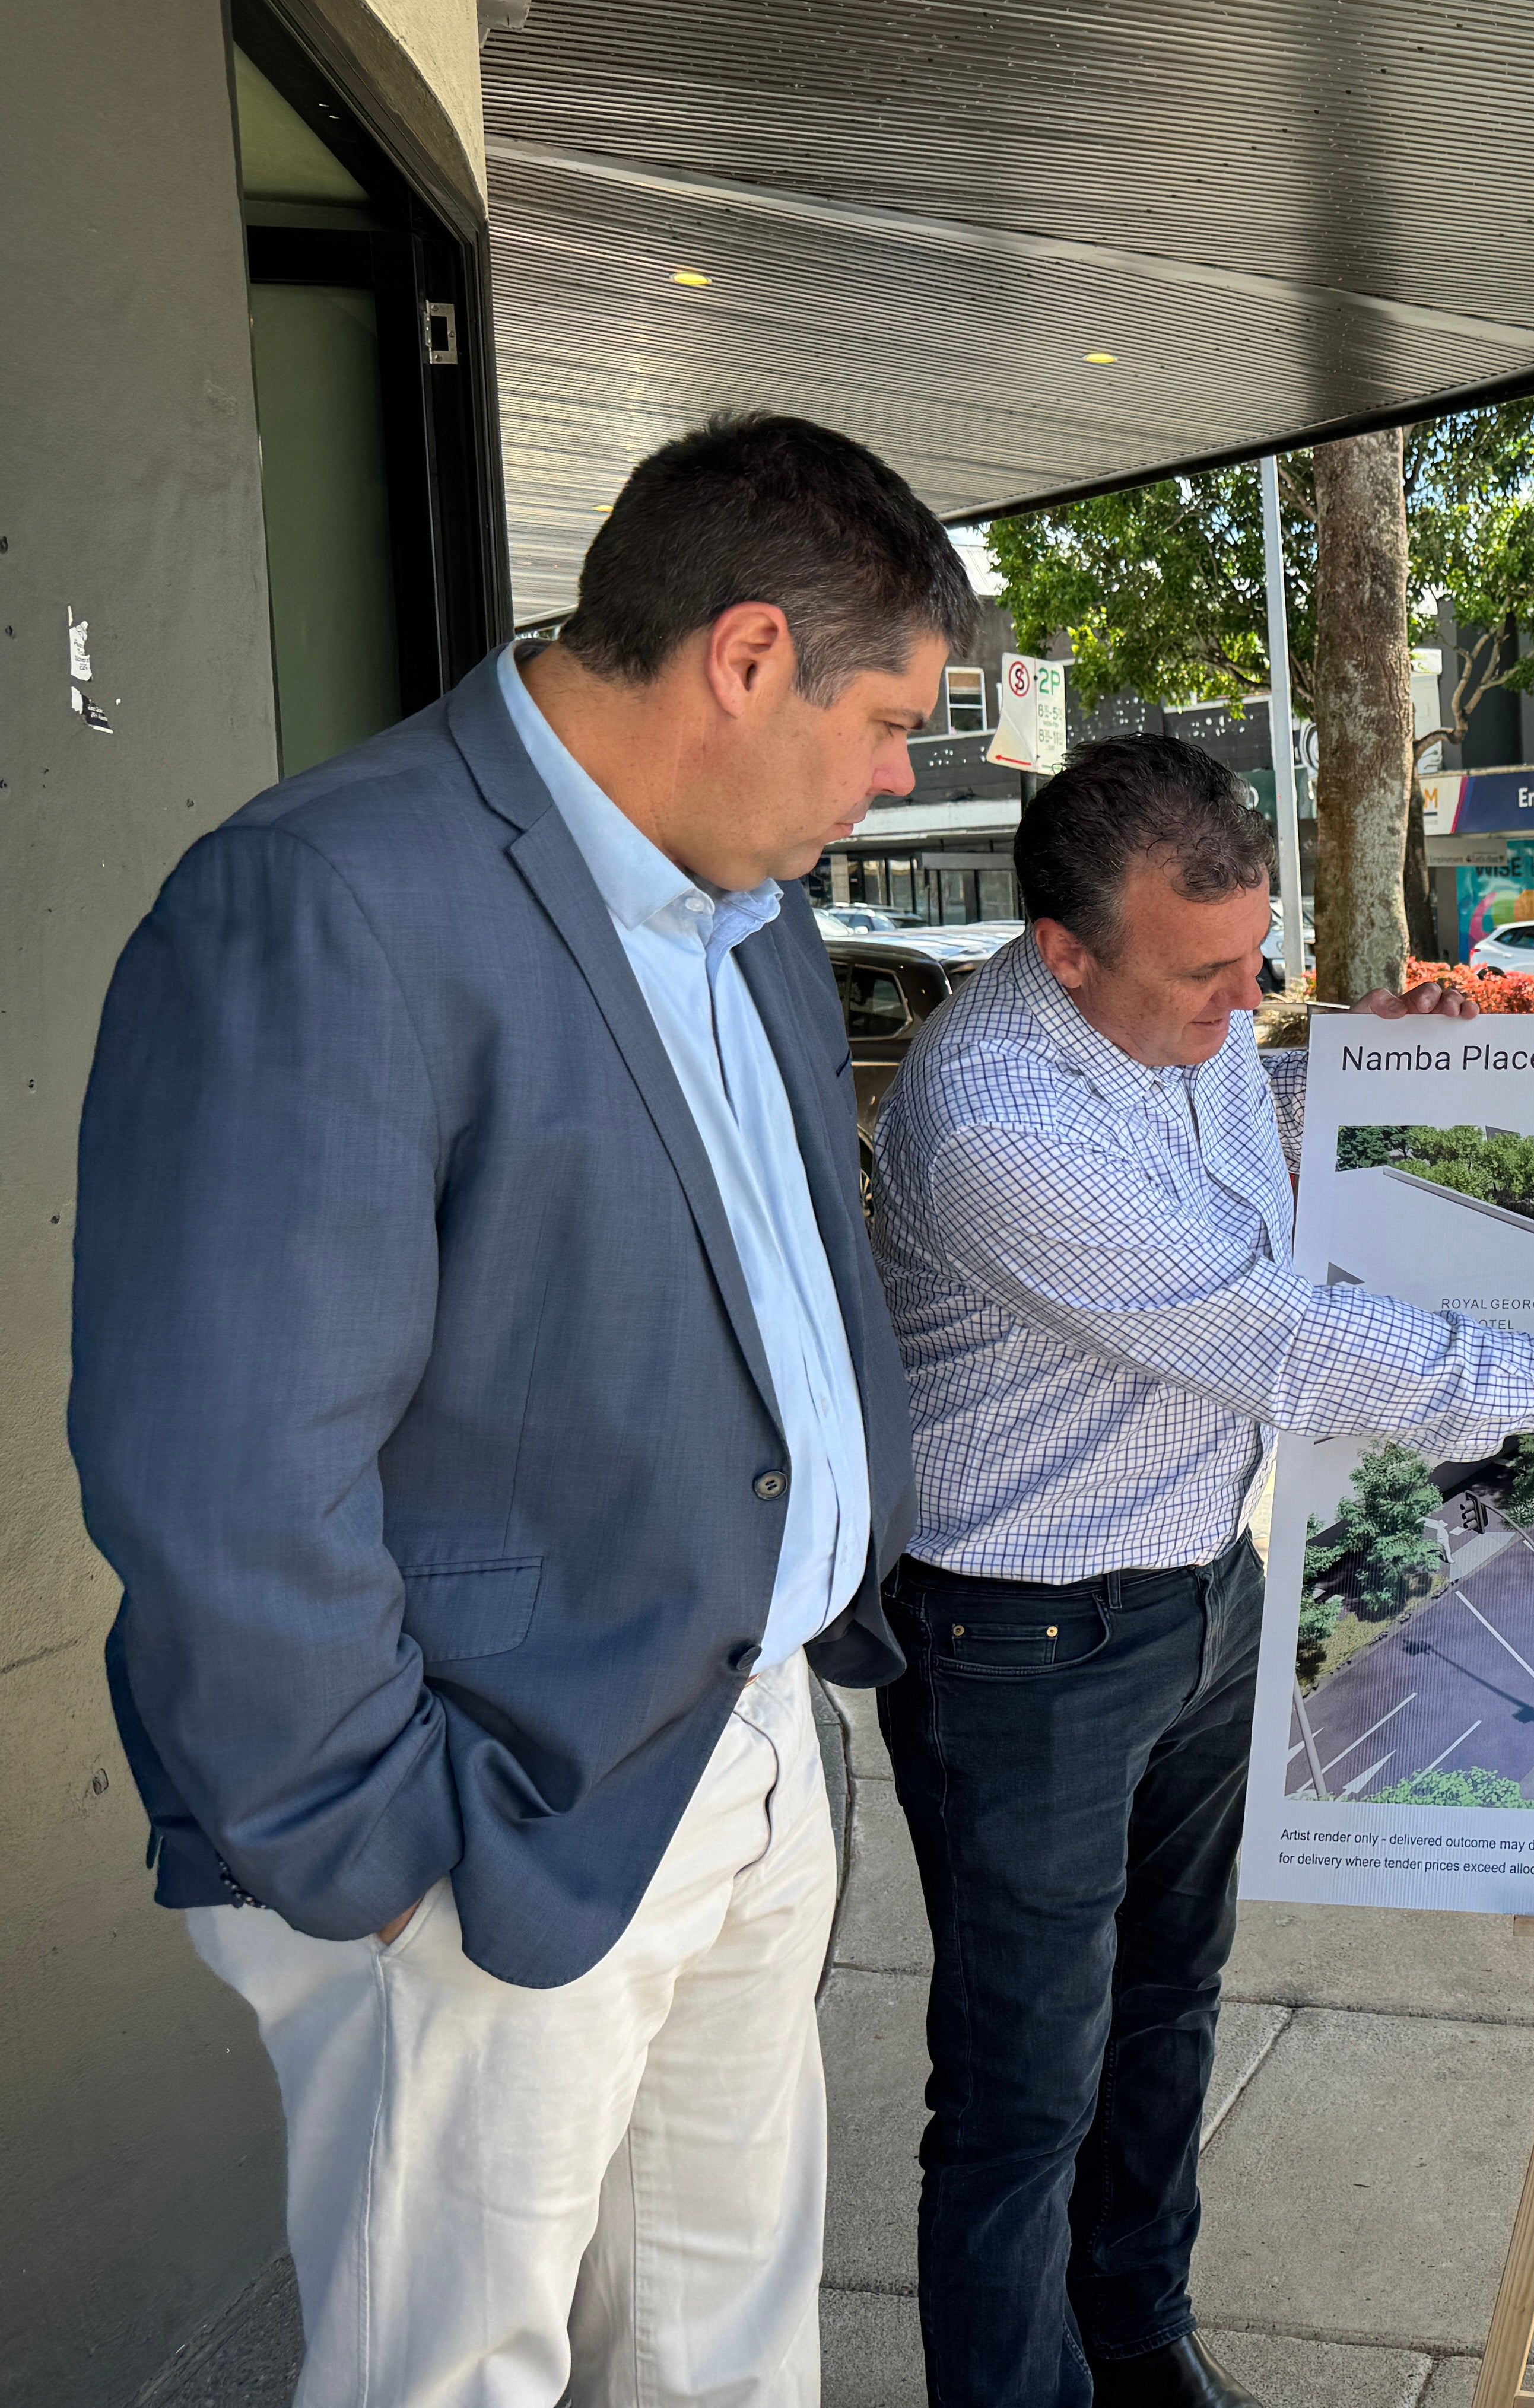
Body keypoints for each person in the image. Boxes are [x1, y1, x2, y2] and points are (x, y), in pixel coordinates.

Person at [71, 413, 966, 2403]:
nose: (909, 773)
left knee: (725, 2353)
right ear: (746, 658)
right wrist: (379, 1861)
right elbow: (222, 1465)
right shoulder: (326, 899)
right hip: (487, 1815)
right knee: (453, 2372)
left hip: (743, 1750)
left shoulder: (761, 923)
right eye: (894, 718)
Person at [869, 736, 1534, 2408]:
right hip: (1023, 1642)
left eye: (1257, 963)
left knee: (1164, 2015)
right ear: (1061, 949)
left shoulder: (1169, 1017)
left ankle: (1138, 2338)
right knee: (1021, 2089)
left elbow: (1224, 1138)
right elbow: (1289, 1347)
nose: (1242, 1004)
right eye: (1203, 977)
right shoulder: (999, 1121)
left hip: (1193, 1590)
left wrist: (1340, 1077)